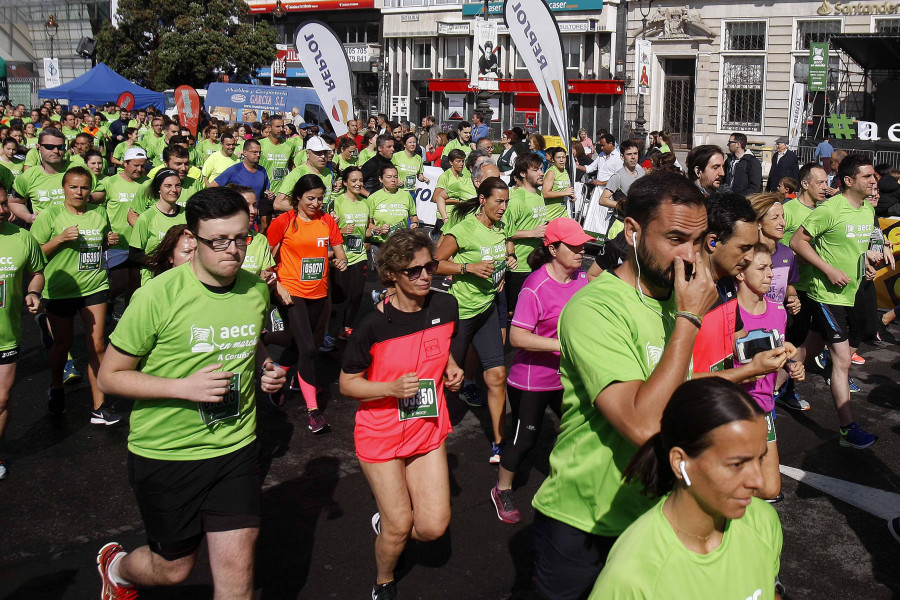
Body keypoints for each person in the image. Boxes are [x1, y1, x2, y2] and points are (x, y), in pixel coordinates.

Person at [530, 172, 717, 600]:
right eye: (675, 238)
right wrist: (688, 322)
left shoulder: (680, 297)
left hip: (659, 517)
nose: (690, 256)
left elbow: (685, 391)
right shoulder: (594, 307)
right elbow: (643, 423)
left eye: (699, 240)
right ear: (631, 231)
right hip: (583, 522)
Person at [95, 187, 287, 600]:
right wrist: (182, 388)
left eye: (240, 237)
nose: (231, 249)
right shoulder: (156, 296)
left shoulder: (255, 290)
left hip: (236, 448)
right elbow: (110, 377)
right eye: (218, 240)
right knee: (173, 569)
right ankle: (118, 568)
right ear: (193, 238)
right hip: (167, 453)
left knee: (238, 579)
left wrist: (265, 367)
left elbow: (251, 341)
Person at [339, 228, 463, 600]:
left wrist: (451, 367)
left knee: (433, 527)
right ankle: (384, 579)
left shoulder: (445, 307)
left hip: (426, 426)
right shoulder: (372, 324)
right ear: (391, 273)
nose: (426, 276)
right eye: (414, 270)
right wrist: (388, 389)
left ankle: (390, 526)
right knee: (399, 526)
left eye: (430, 267)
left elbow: (437, 347)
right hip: (382, 433)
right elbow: (347, 384)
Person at [589, 378, 783, 600]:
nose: (759, 481)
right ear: (679, 462)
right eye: (736, 464)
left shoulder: (763, 522)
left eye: (760, 459)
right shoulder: (631, 577)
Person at [491, 217, 591, 524]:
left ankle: (573, 484)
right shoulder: (534, 287)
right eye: (573, 246)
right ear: (552, 248)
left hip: (566, 378)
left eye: (582, 245)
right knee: (525, 441)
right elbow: (518, 337)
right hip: (531, 380)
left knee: (581, 431)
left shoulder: (582, 280)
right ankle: (502, 488)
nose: (580, 251)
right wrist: (559, 344)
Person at [790, 154, 880, 449]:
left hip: (851, 294)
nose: (874, 180)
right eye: (867, 176)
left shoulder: (867, 210)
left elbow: (856, 245)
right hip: (826, 294)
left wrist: (865, 261)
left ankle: (772, 383)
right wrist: (828, 269)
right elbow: (797, 242)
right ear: (849, 181)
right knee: (841, 361)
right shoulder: (830, 209)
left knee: (810, 348)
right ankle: (847, 428)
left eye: (874, 175)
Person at [31, 167, 122, 424]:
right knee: (63, 344)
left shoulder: (99, 213)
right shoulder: (50, 215)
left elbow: (98, 244)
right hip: (60, 289)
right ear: (64, 188)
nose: (79, 192)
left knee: (97, 346)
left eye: (84, 187)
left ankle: (99, 407)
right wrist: (59, 239)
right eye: (73, 187)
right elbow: (35, 254)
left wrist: (108, 242)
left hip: (94, 286)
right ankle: (57, 387)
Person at [435, 178, 515, 461]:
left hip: (487, 310)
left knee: (497, 375)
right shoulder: (463, 230)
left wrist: (502, 273)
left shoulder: (501, 227)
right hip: (461, 314)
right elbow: (434, 264)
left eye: (506, 202)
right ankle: (426, 436)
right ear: (483, 200)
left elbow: (500, 255)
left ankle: (499, 442)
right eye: (498, 202)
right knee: (444, 381)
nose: (503, 208)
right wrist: (467, 267)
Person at [265, 174, 348, 433]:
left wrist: (339, 261)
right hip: (292, 292)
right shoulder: (284, 222)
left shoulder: (326, 221)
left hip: (319, 293)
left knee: (299, 345)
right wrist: (276, 285)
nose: (316, 203)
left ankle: (282, 379)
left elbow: (340, 253)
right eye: (310, 198)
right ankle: (313, 411)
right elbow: (266, 256)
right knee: (310, 350)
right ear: (298, 198)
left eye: (320, 199)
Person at [735, 244, 805, 502]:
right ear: (740, 273)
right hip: (732, 409)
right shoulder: (725, 312)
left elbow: (780, 350)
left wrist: (792, 363)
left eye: (771, 268)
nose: (770, 275)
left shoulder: (778, 311)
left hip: (764, 407)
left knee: (770, 490)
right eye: (762, 268)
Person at [0, 187, 45, 479]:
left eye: (4, 203)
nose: (2, 210)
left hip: (6, 336)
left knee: (2, 399)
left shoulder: (21, 237)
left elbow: (37, 271)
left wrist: (32, 291)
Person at [332, 167, 372, 339]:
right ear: (345, 183)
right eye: (354, 181)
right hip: (340, 255)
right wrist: (340, 230)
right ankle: (326, 320)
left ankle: (346, 327)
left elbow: (367, 230)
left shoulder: (365, 204)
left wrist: (375, 230)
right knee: (340, 295)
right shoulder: (338, 202)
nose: (358, 184)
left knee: (356, 294)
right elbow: (327, 229)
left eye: (360, 180)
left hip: (360, 255)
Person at [130, 169, 189, 285]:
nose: (174, 190)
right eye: (168, 186)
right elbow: (134, 254)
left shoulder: (187, 215)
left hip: (182, 279)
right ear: (159, 189)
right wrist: (157, 261)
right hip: (154, 280)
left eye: (178, 185)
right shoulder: (146, 218)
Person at [598, 140, 645, 209]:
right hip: (622, 218)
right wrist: (623, 205)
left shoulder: (641, 172)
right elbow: (603, 200)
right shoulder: (617, 177)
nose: (633, 157)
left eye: (635, 153)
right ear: (622, 157)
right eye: (629, 154)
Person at [258, 115, 294, 196]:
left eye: (282, 126)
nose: (281, 129)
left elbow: (291, 166)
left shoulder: (289, 145)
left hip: (282, 194)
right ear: (269, 128)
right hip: (264, 193)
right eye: (277, 127)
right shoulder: (260, 145)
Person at [541, 147, 575, 220]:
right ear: (553, 159)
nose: (561, 160)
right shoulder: (551, 172)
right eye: (558, 158)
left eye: (563, 157)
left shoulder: (565, 171)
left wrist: (570, 195)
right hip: (550, 215)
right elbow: (545, 193)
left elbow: (564, 189)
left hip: (562, 213)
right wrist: (564, 193)